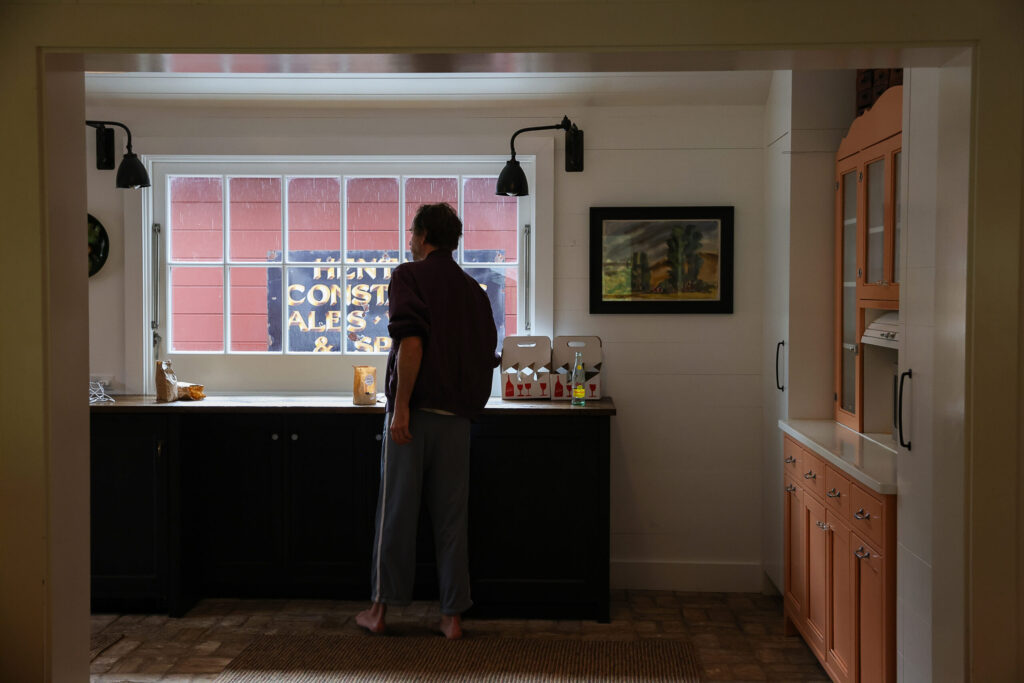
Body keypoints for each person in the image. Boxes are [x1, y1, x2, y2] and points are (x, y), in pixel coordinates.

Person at [356, 202, 499, 639]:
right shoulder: (474, 292)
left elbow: (411, 343)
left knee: (396, 512)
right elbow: (485, 357)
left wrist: (400, 408)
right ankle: (451, 616)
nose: (408, 240)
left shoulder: (409, 276)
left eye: (411, 232)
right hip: (457, 420)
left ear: (422, 236)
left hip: (414, 418)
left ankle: (379, 613)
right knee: (452, 517)